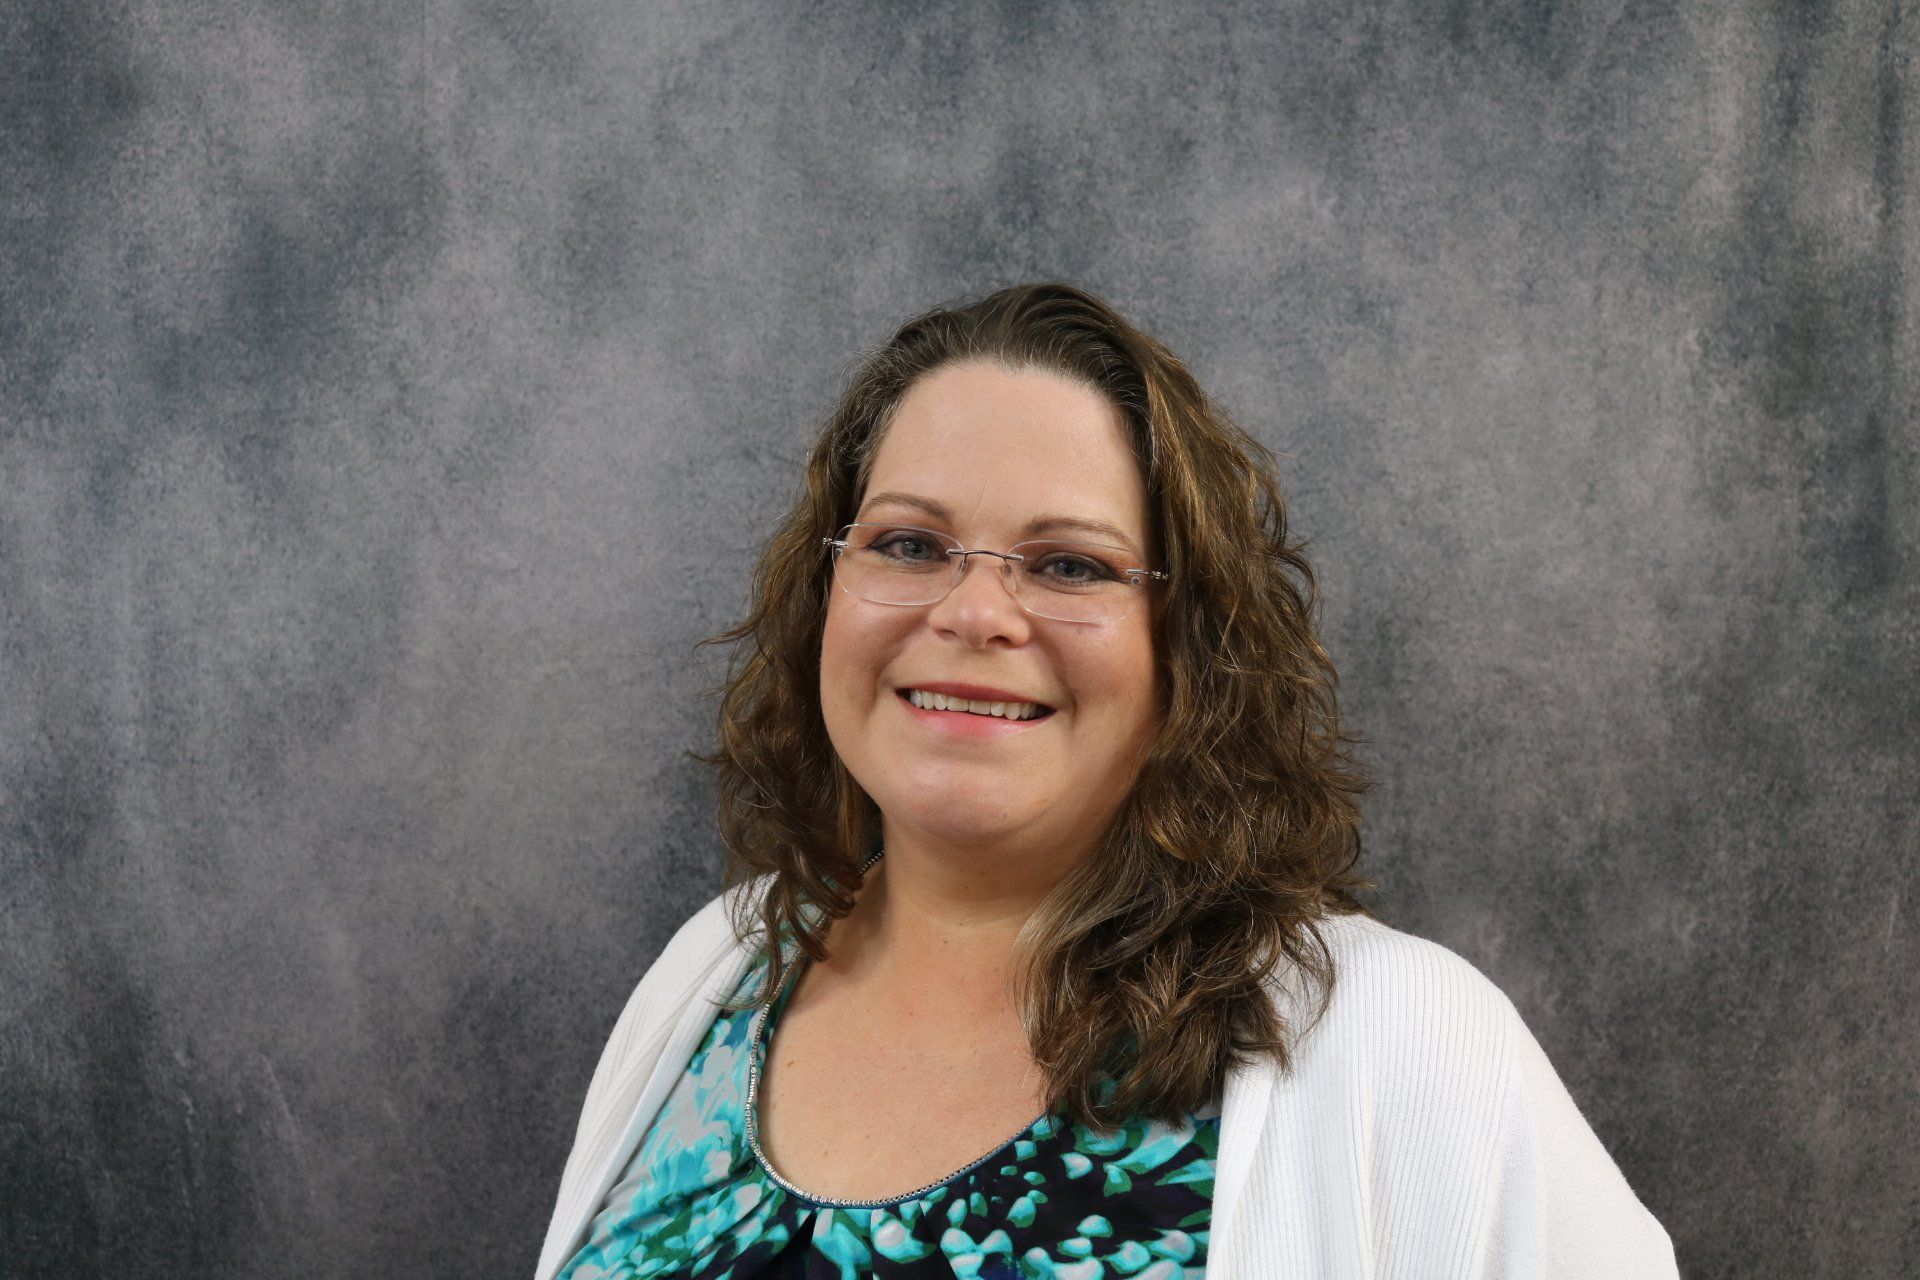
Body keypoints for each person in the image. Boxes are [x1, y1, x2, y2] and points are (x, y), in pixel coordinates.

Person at [534, 283, 1679, 1279]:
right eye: (909, 543)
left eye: (1069, 564)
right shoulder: (718, 974)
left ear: (1188, 646)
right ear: (824, 591)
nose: (973, 612)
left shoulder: (1399, 1042)